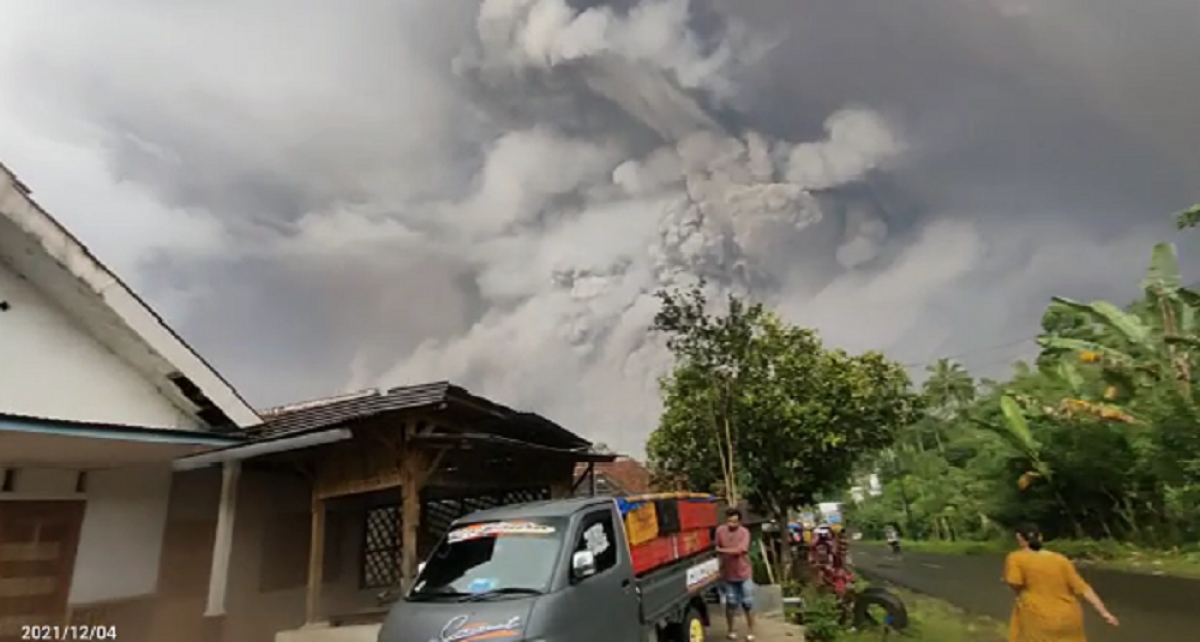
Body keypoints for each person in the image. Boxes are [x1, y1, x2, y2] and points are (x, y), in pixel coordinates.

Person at [1003, 525, 1119, 642]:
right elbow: (1084, 589)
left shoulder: (1016, 558)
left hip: (1038, 617)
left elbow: (1015, 582)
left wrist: (1010, 584)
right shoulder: (1060, 559)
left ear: (1019, 539)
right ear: (1041, 538)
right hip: (1069, 618)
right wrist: (1105, 613)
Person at [715, 507, 755, 640]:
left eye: (734, 522)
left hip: (744, 573)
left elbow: (740, 550)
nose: (731, 524)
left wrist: (722, 550)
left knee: (747, 603)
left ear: (739, 522)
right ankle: (731, 630)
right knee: (731, 603)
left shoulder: (744, 532)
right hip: (728, 574)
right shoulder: (720, 531)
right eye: (729, 521)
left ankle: (751, 631)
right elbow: (716, 549)